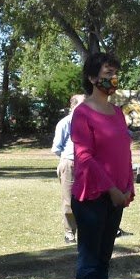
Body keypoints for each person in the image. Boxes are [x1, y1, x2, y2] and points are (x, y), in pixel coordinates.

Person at [71, 52, 134, 279]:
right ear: (93, 78)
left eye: (116, 71)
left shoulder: (118, 112)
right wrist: (110, 188)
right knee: (89, 262)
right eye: (109, 71)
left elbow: (124, 152)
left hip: (116, 198)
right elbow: (85, 157)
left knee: (104, 261)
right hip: (92, 196)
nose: (114, 77)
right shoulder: (82, 114)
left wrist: (128, 186)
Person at [52, 94, 86, 244]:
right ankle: (69, 233)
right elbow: (56, 148)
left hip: (87, 164)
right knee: (69, 200)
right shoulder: (65, 123)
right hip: (70, 163)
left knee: (86, 199)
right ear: (73, 106)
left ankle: (86, 232)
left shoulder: (88, 122)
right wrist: (68, 160)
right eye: (83, 104)